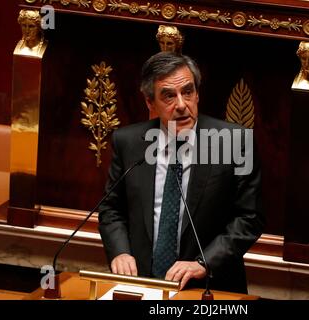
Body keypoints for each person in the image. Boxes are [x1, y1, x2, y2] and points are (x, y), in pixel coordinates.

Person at [98, 52, 264, 294]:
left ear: (197, 94)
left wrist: (203, 262)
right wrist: (120, 251)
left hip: (209, 287)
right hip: (142, 284)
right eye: (168, 96)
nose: (181, 105)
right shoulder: (129, 142)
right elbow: (111, 208)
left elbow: (250, 218)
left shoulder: (234, 142)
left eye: (188, 91)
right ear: (149, 102)